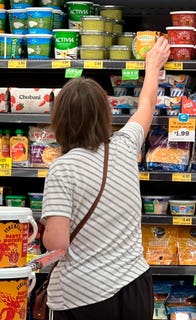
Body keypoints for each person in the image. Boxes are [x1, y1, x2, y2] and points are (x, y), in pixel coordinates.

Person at [40, 37, 171, 320]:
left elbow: (57, 242)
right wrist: (152, 66)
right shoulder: (124, 146)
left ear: (59, 120)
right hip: (134, 285)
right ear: (104, 114)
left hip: (84, 294)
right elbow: (146, 105)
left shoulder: (63, 169)